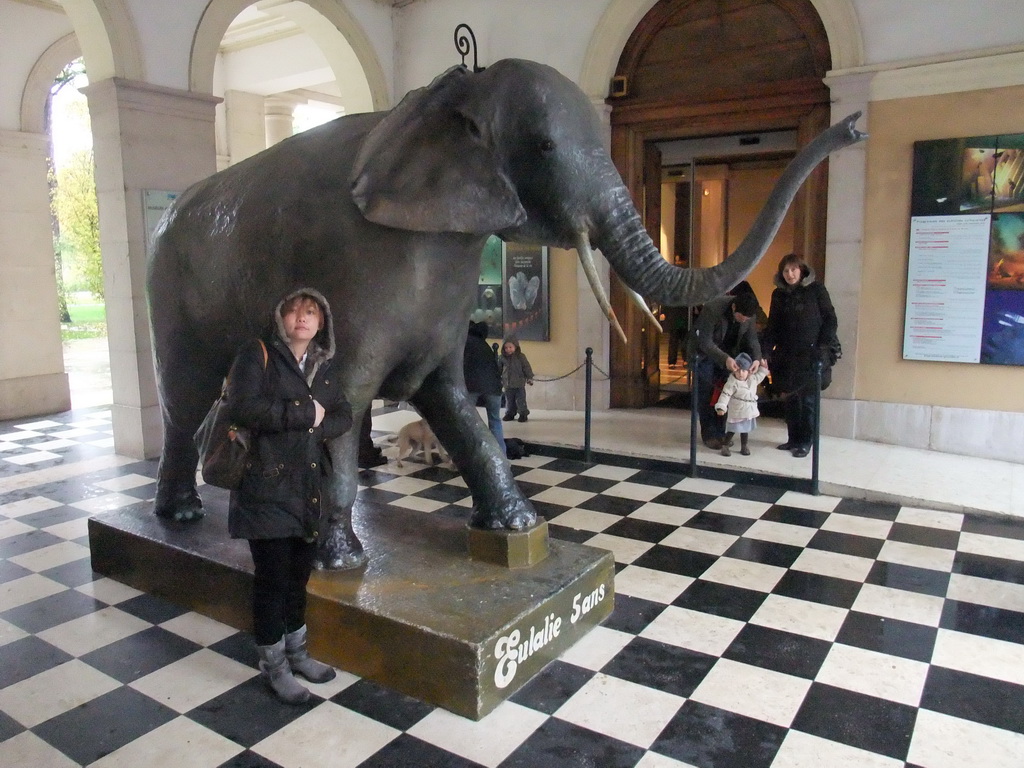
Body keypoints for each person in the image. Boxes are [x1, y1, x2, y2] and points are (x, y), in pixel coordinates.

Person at [226, 288, 353, 704]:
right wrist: (306, 416)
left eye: (312, 311)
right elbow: (243, 408)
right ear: (279, 316)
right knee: (272, 580)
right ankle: (273, 664)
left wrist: (319, 424)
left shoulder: (324, 366)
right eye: (294, 309)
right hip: (266, 485)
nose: (302, 317)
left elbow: (344, 413)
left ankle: (297, 652)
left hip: (308, 487)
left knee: (299, 576)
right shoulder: (256, 354)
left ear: (321, 323)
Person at [763, 254, 838, 458]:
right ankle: (793, 439)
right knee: (790, 400)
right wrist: (766, 351)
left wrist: (822, 347)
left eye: (793, 269)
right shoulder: (778, 295)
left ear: (802, 269)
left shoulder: (816, 290)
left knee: (808, 402)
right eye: (786, 271)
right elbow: (773, 326)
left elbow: (830, 319)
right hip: (787, 355)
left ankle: (806, 441)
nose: (790, 274)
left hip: (810, 355)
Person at [689, 291, 763, 449]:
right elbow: (705, 341)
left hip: (729, 355)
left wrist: (756, 358)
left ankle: (721, 432)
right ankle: (709, 434)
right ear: (734, 307)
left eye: (747, 318)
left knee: (726, 391)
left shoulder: (749, 314)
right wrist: (725, 359)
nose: (744, 320)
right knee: (707, 392)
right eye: (741, 316)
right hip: (704, 354)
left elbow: (752, 339)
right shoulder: (713, 308)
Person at [714, 352, 768, 457]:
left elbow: (761, 375)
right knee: (732, 431)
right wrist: (721, 406)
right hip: (736, 412)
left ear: (749, 371)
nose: (741, 373)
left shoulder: (752, 379)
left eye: (743, 370)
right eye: (738, 370)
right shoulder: (731, 383)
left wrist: (763, 368)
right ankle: (725, 445)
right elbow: (725, 395)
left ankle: (744, 446)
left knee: (745, 431)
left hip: (748, 411)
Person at [463, 321, 505, 453]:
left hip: (472, 386)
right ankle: (501, 456)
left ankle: (468, 456)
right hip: (494, 388)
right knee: (495, 422)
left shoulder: (466, 343)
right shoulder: (484, 345)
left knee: (466, 422)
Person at [500, 335, 534, 423]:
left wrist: (529, 377)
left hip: (519, 383)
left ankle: (523, 414)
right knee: (509, 400)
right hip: (507, 384)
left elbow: (526, 367)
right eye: (506, 348)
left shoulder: (521, 357)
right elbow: (499, 369)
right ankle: (510, 413)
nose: (508, 349)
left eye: (510, 347)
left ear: (515, 347)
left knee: (520, 400)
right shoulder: (502, 358)